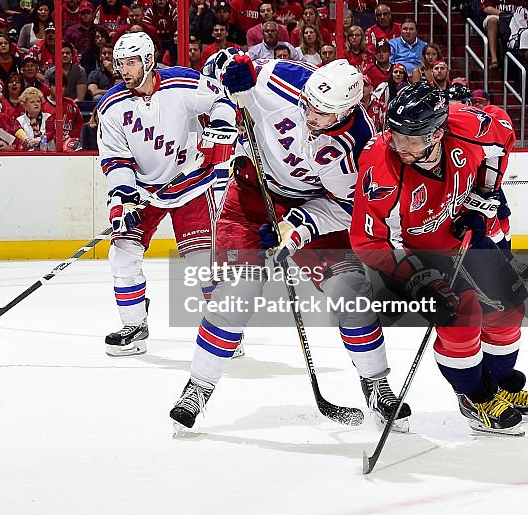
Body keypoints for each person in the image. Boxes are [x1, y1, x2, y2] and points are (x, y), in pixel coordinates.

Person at [171, 55, 409, 431]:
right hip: (251, 195)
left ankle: (377, 384)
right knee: (238, 292)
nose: (310, 117)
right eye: (309, 106)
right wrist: (229, 78)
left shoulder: (361, 146)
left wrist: (298, 226)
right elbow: (218, 71)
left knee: (351, 294)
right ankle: (198, 387)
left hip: (313, 208)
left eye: (322, 114)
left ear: (347, 110)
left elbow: (346, 208)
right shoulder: (280, 77)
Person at [351, 84, 528, 436]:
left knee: (509, 310)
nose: (400, 146)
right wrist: (421, 280)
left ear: (438, 132)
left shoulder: (469, 127)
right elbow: (369, 240)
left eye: (411, 139)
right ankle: (474, 396)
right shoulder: (381, 165)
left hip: (461, 235)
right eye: (395, 135)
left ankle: (500, 385)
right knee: (461, 319)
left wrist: (483, 194)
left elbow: (502, 136)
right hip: (412, 255)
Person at [97, 32, 237, 357]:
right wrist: (123, 196)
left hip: (191, 186)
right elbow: (116, 159)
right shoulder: (111, 107)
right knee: (123, 253)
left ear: (148, 60)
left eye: (131, 63)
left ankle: (224, 328)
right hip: (145, 191)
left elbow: (222, 100)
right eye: (120, 64)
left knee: (204, 262)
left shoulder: (182, 83)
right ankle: (134, 326)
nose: (124, 70)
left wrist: (219, 124)